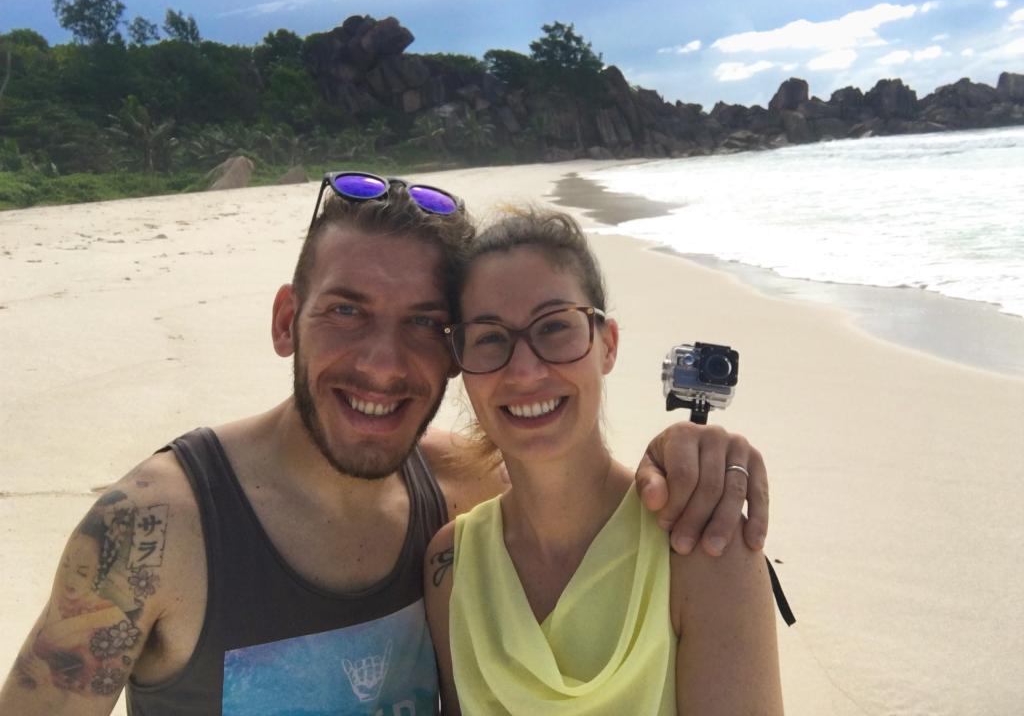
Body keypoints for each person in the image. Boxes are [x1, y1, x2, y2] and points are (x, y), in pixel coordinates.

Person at [0, 173, 771, 716]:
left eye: (423, 326)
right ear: (283, 322)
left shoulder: (459, 497)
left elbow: (571, 480)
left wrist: (693, 454)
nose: (381, 362)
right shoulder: (154, 530)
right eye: (345, 311)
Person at [424, 208, 783, 714]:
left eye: (554, 328)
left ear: (607, 344)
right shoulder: (451, 566)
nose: (525, 371)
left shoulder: (704, 547)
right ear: (462, 365)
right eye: (489, 338)